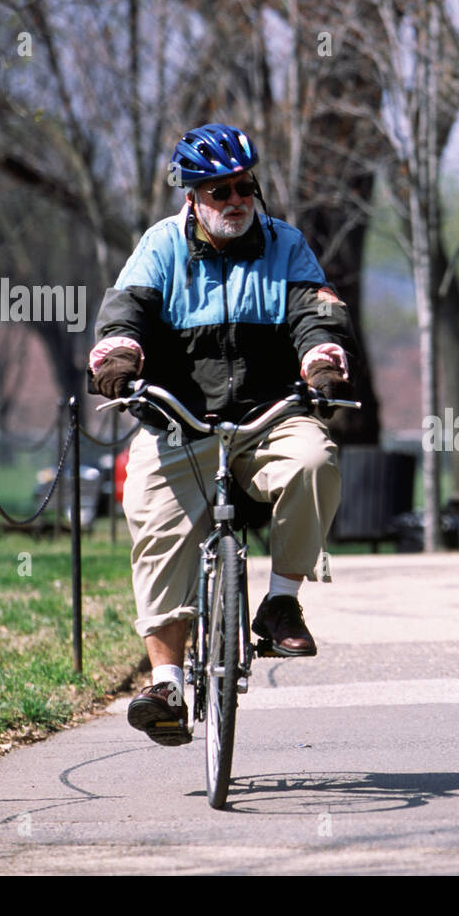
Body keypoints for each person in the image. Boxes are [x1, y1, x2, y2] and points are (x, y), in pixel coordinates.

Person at [88, 123, 358, 744]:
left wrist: (321, 361)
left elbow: (319, 316)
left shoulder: (285, 244)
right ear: (192, 196)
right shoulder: (160, 247)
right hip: (179, 421)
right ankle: (167, 684)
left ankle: (282, 601)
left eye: (243, 187)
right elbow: (124, 313)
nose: (234, 199)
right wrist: (120, 357)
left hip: (269, 418)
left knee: (316, 459)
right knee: (155, 519)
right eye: (217, 190)